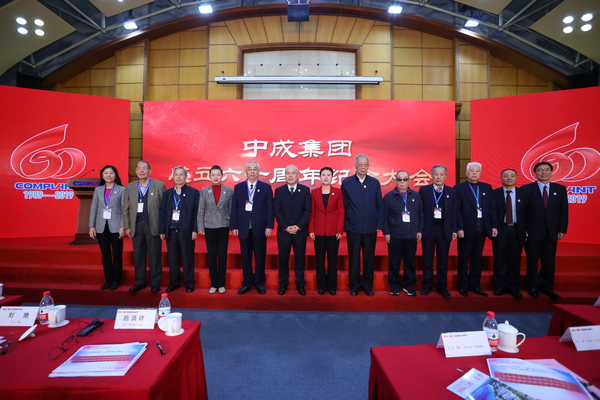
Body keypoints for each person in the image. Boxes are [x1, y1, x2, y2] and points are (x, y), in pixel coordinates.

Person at [522, 161, 568, 299]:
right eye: (540, 170)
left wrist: (561, 229)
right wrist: (523, 229)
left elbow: (563, 211)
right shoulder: (526, 189)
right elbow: (522, 212)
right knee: (532, 260)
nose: (544, 172)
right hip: (532, 231)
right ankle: (532, 286)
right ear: (535, 173)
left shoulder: (560, 189)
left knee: (549, 261)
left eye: (547, 170)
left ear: (551, 172)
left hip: (551, 231)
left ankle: (547, 287)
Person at [341, 154, 383, 296]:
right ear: (355, 166)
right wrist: (345, 225)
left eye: (365, 164)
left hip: (370, 227)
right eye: (360, 164)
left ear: (369, 166)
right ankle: (354, 285)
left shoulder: (374, 183)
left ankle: (367, 285)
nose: (363, 167)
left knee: (369, 258)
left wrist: (379, 223)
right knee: (354, 258)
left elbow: (379, 204)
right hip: (353, 227)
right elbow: (344, 206)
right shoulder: (347, 183)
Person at [230, 161, 274, 295]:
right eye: (250, 169)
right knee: (245, 258)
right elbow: (235, 208)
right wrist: (234, 226)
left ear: (258, 171)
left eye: (255, 169)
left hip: (260, 228)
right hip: (243, 228)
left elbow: (270, 209)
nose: (252, 171)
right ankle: (247, 283)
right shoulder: (238, 187)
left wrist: (269, 226)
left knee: (260, 258)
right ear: (246, 172)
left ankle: (260, 283)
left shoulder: (266, 188)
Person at [454, 162, 497, 297]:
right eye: (472, 171)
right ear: (466, 173)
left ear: (480, 173)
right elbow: (457, 210)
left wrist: (493, 225)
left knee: (477, 259)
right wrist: (459, 227)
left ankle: (475, 286)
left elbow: (492, 208)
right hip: (466, 229)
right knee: (463, 259)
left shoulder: (486, 187)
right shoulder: (459, 188)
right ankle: (463, 286)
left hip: (481, 229)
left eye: (477, 171)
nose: (474, 173)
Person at [123, 161, 166, 293]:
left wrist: (163, 227)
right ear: (136, 171)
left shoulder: (159, 185)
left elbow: (164, 208)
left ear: (149, 171)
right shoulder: (130, 187)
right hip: (136, 226)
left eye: (144, 168)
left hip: (153, 225)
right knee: (138, 255)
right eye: (139, 168)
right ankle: (140, 282)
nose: (141, 171)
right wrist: (127, 226)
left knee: (154, 255)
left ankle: (155, 282)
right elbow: (125, 208)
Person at [418, 164, 457, 298]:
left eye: (441, 174)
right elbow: (420, 211)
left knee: (443, 260)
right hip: (428, 229)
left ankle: (442, 286)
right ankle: (427, 285)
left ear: (445, 176)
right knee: (427, 259)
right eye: (436, 174)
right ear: (431, 176)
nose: (439, 177)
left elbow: (454, 212)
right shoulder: (424, 190)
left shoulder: (452, 191)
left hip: (444, 230)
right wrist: (420, 229)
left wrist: (454, 229)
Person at [159, 166, 200, 293]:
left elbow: (197, 213)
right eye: (176, 174)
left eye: (181, 174)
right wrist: (162, 230)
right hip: (171, 230)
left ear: (186, 177)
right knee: (173, 259)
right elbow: (162, 212)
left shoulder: (193, 192)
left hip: (186, 231)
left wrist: (195, 229)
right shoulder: (167, 194)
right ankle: (174, 282)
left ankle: (189, 283)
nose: (178, 177)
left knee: (188, 258)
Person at [383, 170, 423, 296]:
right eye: (399, 179)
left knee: (410, 262)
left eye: (404, 179)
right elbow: (384, 216)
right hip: (395, 235)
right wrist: (386, 232)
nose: (402, 182)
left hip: (411, 235)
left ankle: (408, 286)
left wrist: (419, 230)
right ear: (396, 181)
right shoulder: (389, 196)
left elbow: (421, 214)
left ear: (409, 181)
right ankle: (394, 286)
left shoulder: (416, 196)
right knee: (394, 262)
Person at [492, 169, 530, 299]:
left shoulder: (524, 194)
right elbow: (491, 212)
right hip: (500, 229)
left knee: (515, 259)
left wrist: (526, 229)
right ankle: (499, 286)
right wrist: (493, 226)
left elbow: (528, 214)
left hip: (517, 229)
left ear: (517, 178)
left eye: (512, 176)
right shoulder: (495, 193)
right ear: (501, 178)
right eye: (506, 176)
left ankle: (514, 287)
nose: (509, 178)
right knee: (500, 258)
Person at [274, 165, 311, 295]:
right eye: (288, 173)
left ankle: (300, 284)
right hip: (284, 232)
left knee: (300, 259)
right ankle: (283, 284)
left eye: (293, 173)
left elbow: (307, 210)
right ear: (284, 175)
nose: (290, 175)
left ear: (297, 175)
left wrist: (298, 226)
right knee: (283, 259)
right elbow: (277, 210)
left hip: (300, 232)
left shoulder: (305, 190)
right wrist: (286, 226)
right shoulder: (279, 191)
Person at [88, 165, 125, 290]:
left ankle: (116, 280)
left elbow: (124, 209)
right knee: (105, 255)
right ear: (102, 176)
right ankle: (108, 279)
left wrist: (122, 226)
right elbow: (93, 208)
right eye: (106, 173)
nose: (108, 175)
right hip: (101, 226)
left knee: (117, 255)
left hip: (116, 226)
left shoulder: (122, 189)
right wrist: (91, 226)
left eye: (111, 173)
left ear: (116, 175)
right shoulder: (98, 190)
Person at [309, 167, 344, 296]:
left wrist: (339, 229)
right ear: (320, 177)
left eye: (328, 175)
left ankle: (332, 286)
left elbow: (341, 212)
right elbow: (312, 212)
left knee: (332, 259)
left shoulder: (338, 192)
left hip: (333, 231)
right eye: (323, 175)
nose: (325, 177)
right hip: (318, 230)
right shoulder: (314, 192)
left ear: (332, 177)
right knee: (319, 260)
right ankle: (321, 286)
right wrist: (311, 229)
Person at [198, 165, 233, 294]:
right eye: (213, 175)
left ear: (222, 176)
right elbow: (200, 210)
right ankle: (214, 283)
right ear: (210, 176)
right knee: (212, 255)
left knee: (222, 255)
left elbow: (232, 209)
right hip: (209, 226)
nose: (216, 177)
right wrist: (200, 226)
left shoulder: (228, 191)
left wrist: (233, 226)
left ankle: (221, 283)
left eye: (218, 175)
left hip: (223, 225)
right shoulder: (204, 190)